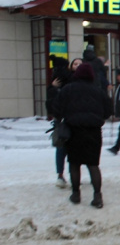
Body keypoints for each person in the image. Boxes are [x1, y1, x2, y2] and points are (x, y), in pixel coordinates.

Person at [55, 62, 113, 208]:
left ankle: (76, 194)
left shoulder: (68, 89)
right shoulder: (98, 91)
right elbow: (107, 111)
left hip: (73, 131)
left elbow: (58, 109)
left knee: (74, 163)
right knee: (93, 165)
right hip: (93, 132)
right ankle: (97, 196)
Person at [46, 55, 75, 188]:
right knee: (72, 149)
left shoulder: (56, 82)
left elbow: (50, 106)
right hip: (72, 118)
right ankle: (73, 174)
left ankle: (60, 175)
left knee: (61, 147)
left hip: (61, 120)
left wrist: (51, 88)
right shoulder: (71, 79)